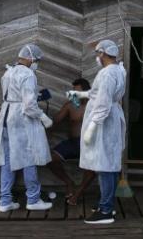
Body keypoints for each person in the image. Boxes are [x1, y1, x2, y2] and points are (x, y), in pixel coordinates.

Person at [0, 43, 54, 213]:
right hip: (21, 119)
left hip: (6, 116)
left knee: (7, 160)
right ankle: (33, 199)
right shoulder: (28, 74)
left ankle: (5, 200)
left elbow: (14, 96)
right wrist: (43, 117)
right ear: (30, 58)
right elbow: (28, 106)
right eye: (37, 60)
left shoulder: (9, 71)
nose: (37, 63)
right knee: (29, 158)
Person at [80, 40, 127, 225]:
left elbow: (103, 102)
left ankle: (106, 210)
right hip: (110, 119)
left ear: (104, 53)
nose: (97, 57)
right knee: (108, 164)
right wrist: (81, 95)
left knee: (105, 165)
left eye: (98, 53)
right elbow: (98, 94)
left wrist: (92, 126)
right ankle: (105, 204)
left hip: (104, 122)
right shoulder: (117, 70)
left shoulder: (107, 74)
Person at [46, 77, 97, 205]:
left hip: (91, 144)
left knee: (91, 170)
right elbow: (55, 121)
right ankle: (69, 183)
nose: (74, 94)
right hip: (73, 143)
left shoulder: (95, 105)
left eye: (77, 92)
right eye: (73, 91)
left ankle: (78, 193)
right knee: (50, 159)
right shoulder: (71, 105)